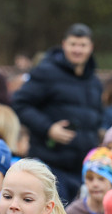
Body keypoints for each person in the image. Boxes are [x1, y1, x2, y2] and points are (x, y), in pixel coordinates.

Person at [13, 23, 103, 202]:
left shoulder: (94, 81)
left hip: (84, 170)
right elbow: (19, 103)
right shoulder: (46, 72)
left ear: (90, 47)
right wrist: (48, 128)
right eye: (73, 44)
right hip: (51, 166)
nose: (77, 50)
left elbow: (97, 117)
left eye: (82, 45)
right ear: (64, 45)